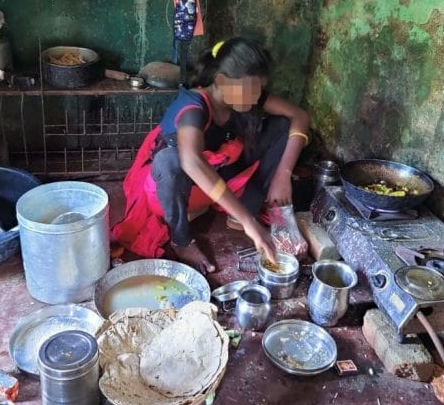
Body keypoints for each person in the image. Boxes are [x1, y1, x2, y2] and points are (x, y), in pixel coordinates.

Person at [112, 37, 310, 274]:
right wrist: (250, 221)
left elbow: (299, 115)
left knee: (280, 126)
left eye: (259, 90)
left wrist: (283, 174)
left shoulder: (246, 97)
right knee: (170, 161)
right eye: (250, 91)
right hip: (172, 190)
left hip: (219, 170)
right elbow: (191, 163)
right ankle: (182, 239)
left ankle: (245, 205)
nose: (256, 98)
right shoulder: (192, 106)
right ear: (221, 82)